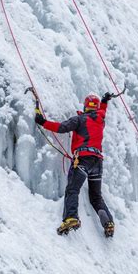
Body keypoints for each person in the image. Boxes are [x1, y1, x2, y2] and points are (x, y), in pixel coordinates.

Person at [35, 93, 115, 237]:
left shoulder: (80, 119)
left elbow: (61, 127)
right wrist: (104, 102)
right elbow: (102, 111)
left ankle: (71, 217)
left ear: (85, 106)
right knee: (96, 197)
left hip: (83, 159)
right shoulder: (101, 120)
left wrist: (43, 122)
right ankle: (108, 222)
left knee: (72, 189)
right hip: (97, 162)